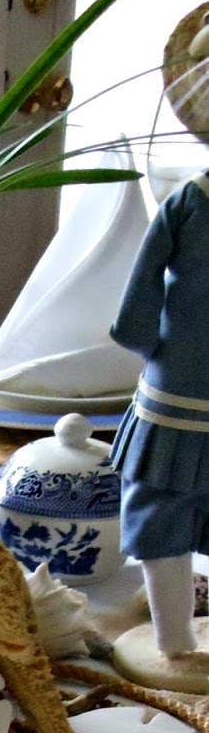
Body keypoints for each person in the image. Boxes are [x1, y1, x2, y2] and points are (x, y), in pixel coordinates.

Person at [109, 168, 209, 673]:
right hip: (177, 390)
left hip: (178, 392)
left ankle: (174, 640)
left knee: (158, 510)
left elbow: (142, 286)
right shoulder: (188, 200)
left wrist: (147, 343)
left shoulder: (189, 201)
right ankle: (174, 640)